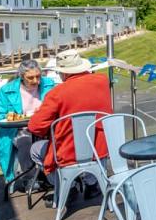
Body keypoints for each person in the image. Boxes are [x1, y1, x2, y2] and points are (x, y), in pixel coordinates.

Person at [27, 49, 112, 200]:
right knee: (87, 144)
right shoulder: (102, 81)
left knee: (35, 149)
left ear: (63, 73)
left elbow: (35, 127)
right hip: (100, 148)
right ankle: (92, 183)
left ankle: (69, 186)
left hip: (68, 152)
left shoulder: (57, 93)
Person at [0, 59, 56, 187]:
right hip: (19, 129)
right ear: (21, 77)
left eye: (38, 76)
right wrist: (15, 117)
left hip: (44, 127)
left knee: (59, 139)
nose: (36, 81)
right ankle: (29, 177)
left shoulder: (48, 84)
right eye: (30, 78)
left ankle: (50, 174)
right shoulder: (7, 90)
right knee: (25, 142)